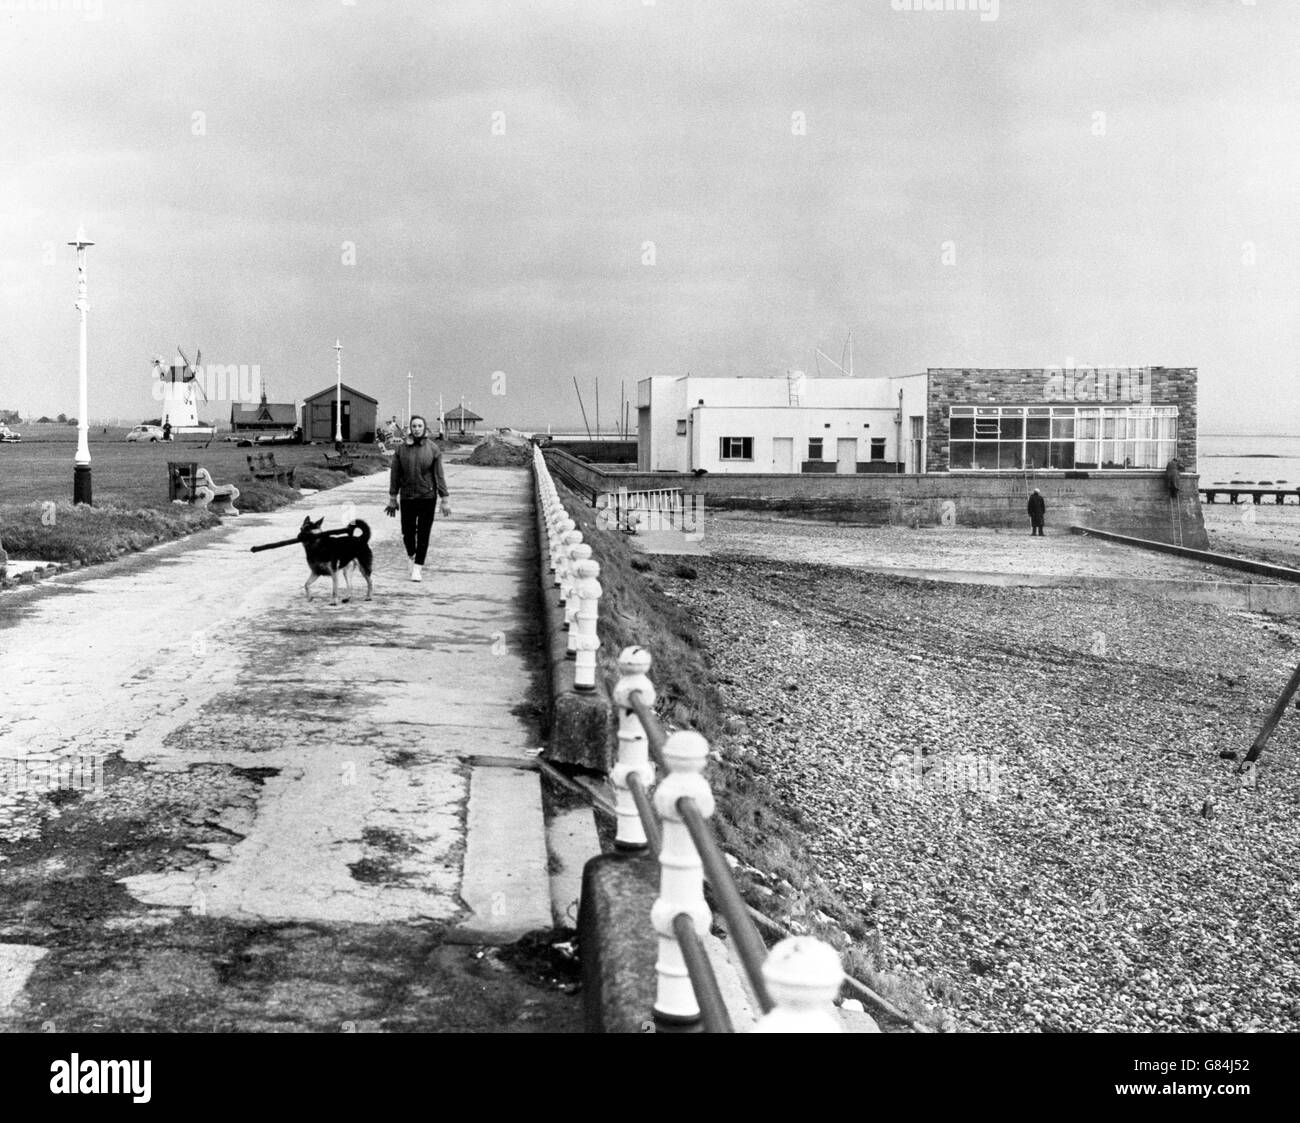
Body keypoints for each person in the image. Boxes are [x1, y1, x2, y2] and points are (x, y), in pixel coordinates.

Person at [385, 414, 451, 582]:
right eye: (414, 426)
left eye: (419, 426)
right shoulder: (401, 449)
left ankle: (417, 568)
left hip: (427, 497)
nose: (416, 429)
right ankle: (411, 556)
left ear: (424, 428)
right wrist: (393, 497)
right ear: (410, 428)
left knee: (423, 534)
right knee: (407, 533)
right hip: (407, 496)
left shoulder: (433, 449)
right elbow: (395, 474)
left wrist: (445, 499)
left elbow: (439, 475)